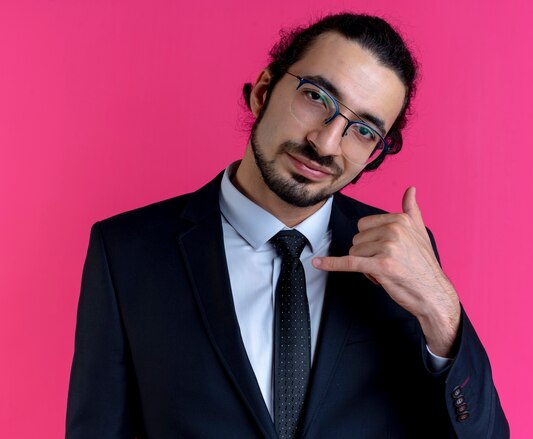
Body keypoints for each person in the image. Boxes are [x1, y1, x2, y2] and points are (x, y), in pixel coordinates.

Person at [66, 13, 509, 438]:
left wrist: (443, 313)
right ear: (263, 91)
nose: (325, 142)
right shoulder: (125, 251)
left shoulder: (403, 258)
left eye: (364, 131)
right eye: (316, 97)